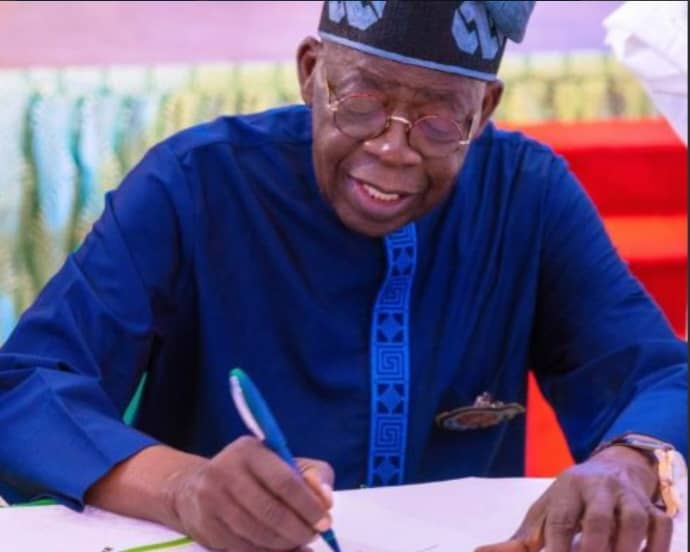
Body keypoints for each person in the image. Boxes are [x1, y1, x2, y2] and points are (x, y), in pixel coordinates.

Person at [0, 1, 686, 551]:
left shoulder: (525, 195)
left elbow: (657, 376)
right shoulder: (195, 184)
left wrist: (627, 462)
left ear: (483, 111)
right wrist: (183, 487)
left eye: (438, 121)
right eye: (359, 102)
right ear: (310, 74)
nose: (392, 148)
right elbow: (24, 388)